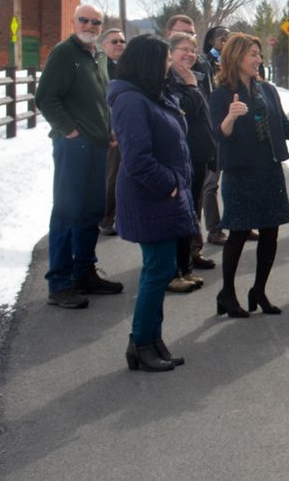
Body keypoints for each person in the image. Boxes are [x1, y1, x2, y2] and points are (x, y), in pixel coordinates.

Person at [209, 33, 289, 318]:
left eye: (259, 54)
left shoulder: (267, 90)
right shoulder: (221, 93)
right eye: (253, 54)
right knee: (239, 232)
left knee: (270, 232)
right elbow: (218, 135)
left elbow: (285, 127)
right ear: (236, 57)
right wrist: (230, 117)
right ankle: (227, 293)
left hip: (269, 169)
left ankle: (259, 290)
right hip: (240, 172)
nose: (259, 59)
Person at [108, 35, 199, 371]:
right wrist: (170, 185)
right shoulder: (131, 100)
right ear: (148, 63)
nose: (168, 65)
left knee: (159, 270)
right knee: (158, 269)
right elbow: (137, 159)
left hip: (162, 197)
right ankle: (141, 344)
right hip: (152, 197)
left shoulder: (151, 95)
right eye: (164, 59)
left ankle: (152, 340)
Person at [35, 4, 124, 309]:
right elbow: (45, 98)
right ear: (74, 22)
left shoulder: (98, 55)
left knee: (92, 210)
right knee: (67, 212)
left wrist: (108, 130)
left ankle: (84, 272)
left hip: (98, 146)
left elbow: (101, 100)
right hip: (73, 146)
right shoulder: (64, 53)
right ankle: (59, 283)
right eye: (84, 20)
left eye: (96, 22)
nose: (90, 25)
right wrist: (70, 130)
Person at [166, 31, 218, 292]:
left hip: (198, 154)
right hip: (180, 156)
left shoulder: (196, 76)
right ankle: (175, 269)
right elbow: (183, 112)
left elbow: (205, 117)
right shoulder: (168, 81)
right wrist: (190, 87)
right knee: (180, 213)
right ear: (170, 53)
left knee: (192, 211)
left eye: (192, 50)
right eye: (183, 49)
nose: (189, 54)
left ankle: (188, 262)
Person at [201, 25, 230, 246]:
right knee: (211, 183)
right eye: (222, 37)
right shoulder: (204, 63)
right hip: (212, 131)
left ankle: (240, 224)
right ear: (211, 40)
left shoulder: (232, 62)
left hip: (233, 128)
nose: (226, 41)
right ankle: (214, 229)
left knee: (236, 180)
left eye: (229, 37)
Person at [99, 29, 126, 236]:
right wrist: (111, 129)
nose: (119, 45)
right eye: (114, 41)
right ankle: (105, 219)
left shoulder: (126, 67)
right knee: (111, 177)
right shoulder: (100, 68)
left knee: (122, 176)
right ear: (104, 45)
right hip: (110, 131)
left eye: (122, 41)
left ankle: (117, 216)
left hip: (126, 128)